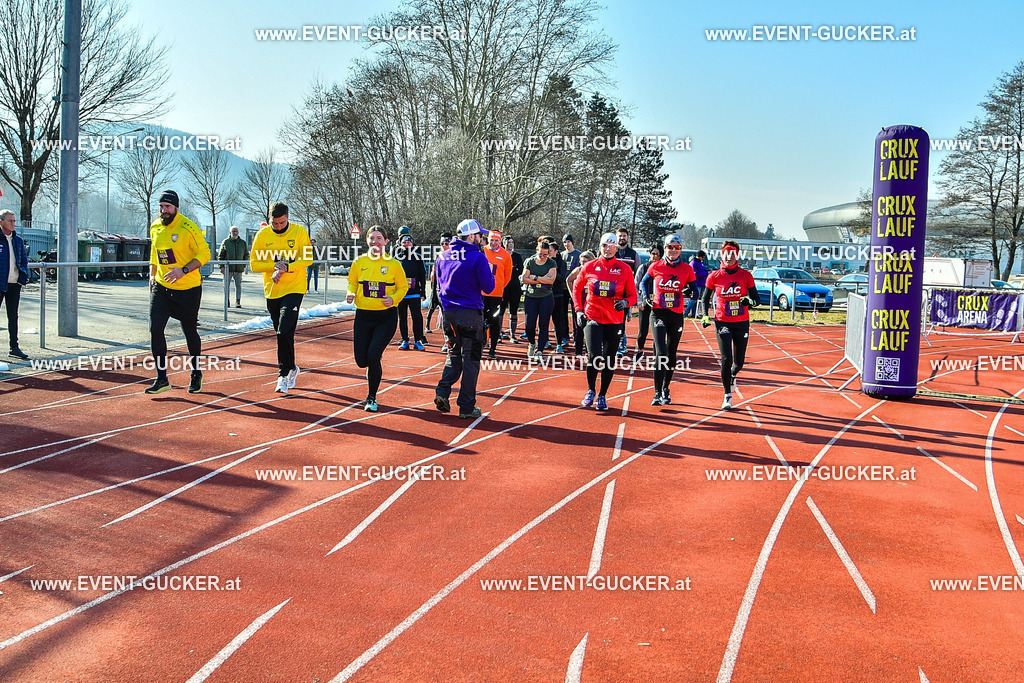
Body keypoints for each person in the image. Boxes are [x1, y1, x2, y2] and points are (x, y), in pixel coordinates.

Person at [146, 190, 210, 394]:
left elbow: (205, 253)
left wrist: (183, 270)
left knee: (189, 332)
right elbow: (155, 252)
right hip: (162, 287)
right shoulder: (155, 226)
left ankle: (196, 372)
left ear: (176, 208)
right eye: (161, 206)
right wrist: (152, 272)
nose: (164, 211)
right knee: (155, 329)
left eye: (168, 207)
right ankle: (162, 378)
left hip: (187, 289)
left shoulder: (188, 228)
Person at [434, 219, 495, 419]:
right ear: (471, 237)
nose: (482, 239)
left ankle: (442, 392)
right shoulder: (477, 257)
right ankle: (466, 406)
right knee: (471, 361)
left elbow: (437, 287)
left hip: (449, 313)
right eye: (480, 236)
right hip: (470, 314)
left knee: (453, 354)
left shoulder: (442, 255)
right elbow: (489, 287)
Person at [250, 202, 313, 394]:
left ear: (288, 217)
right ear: (270, 220)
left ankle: (282, 375)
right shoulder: (262, 235)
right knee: (283, 333)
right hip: (273, 290)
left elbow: (308, 258)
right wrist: (274, 266)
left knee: (283, 330)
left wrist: (288, 266)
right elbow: (253, 264)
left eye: (282, 222)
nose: (278, 226)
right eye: (275, 223)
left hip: (295, 288)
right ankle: (292, 367)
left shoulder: (299, 231)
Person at [572, 232, 637, 410]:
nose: (607, 249)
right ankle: (591, 390)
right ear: (599, 246)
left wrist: (625, 302)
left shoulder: (624, 269)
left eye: (611, 246)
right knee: (594, 356)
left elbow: (633, 295)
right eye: (604, 245)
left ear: (616, 247)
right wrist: (578, 310)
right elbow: (576, 289)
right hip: (593, 316)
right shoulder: (590, 266)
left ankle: (602, 395)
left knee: (609, 359)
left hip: (615, 320)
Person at [346, 226, 408, 411]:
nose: (375, 242)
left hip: (385, 317)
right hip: (363, 316)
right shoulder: (359, 262)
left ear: (386, 242)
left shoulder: (394, 264)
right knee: (361, 361)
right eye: (372, 238)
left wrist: (393, 299)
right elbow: (352, 282)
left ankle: (371, 398)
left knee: (373, 357)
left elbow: (403, 287)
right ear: (367, 241)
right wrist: (350, 293)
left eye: (379, 238)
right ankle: (372, 362)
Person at [701, 240, 760, 410]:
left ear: (737, 256)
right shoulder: (714, 276)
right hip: (722, 321)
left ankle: (733, 375)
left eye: (732, 254)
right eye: (726, 253)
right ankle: (727, 395)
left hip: (741, 322)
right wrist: (705, 316)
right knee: (726, 359)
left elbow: (757, 299)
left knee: (739, 362)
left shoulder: (745, 275)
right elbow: (705, 297)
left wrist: (749, 301)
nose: (728, 257)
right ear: (721, 255)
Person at [641, 235, 696, 405]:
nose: (673, 250)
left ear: (680, 249)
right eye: (670, 247)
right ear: (665, 248)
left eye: (677, 247)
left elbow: (696, 292)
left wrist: (689, 293)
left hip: (676, 315)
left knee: (671, 353)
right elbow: (644, 282)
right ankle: (657, 392)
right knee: (660, 352)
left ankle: (666, 387)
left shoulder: (687, 269)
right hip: (658, 312)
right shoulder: (656, 266)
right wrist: (646, 297)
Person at [0, 210, 30, 360]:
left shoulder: (17, 240)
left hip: (14, 284)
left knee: (13, 316)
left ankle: (14, 347)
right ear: (1, 222)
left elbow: (24, 260)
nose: (13, 223)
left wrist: (22, 279)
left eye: (14, 221)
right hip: (0, 284)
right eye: (10, 221)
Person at [522, 240, 557, 359]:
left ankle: (540, 350)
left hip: (546, 297)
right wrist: (543, 279)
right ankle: (532, 343)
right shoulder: (530, 262)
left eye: (545, 255)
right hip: (531, 296)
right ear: (536, 251)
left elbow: (551, 280)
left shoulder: (551, 263)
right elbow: (525, 279)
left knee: (544, 324)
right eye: (540, 254)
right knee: (529, 325)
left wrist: (536, 277)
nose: (542, 257)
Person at [482, 228, 513, 359]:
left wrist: (497, 287)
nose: (494, 243)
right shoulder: (482, 251)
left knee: (494, 322)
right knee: (480, 321)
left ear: (500, 241)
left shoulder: (506, 255)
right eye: (491, 240)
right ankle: (482, 343)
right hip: (481, 294)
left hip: (496, 295)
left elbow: (507, 276)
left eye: (496, 240)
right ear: (487, 240)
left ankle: (493, 349)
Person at [395, 234, 427, 350]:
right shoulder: (396, 258)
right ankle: (405, 340)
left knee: (416, 316)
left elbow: (422, 275)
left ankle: (418, 340)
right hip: (401, 293)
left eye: (409, 242)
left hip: (414, 292)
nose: (407, 244)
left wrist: (423, 292)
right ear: (400, 244)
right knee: (402, 317)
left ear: (412, 244)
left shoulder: (418, 257)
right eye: (404, 242)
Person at [634, 244, 663, 356]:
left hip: (659, 304)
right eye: (653, 253)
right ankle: (640, 350)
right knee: (643, 331)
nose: (655, 256)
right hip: (645, 302)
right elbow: (636, 285)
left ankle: (657, 354)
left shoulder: (663, 268)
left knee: (658, 331)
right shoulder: (643, 267)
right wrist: (639, 300)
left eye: (658, 254)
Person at [614, 227, 638, 355]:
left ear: (627, 238)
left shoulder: (633, 254)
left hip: (625, 293)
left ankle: (621, 343)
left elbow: (637, 272)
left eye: (624, 235)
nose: (622, 238)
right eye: (620, 236)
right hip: (611, 291)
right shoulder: (612, 251)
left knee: (622, 319)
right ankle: (612, 342)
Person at [565, 250, 595, 356]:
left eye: (585, 262)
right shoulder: (578, 270)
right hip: (579, 302)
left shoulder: (595, 272)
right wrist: (573, 295)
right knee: (579, 328)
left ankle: (588, 352)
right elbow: (568, 280)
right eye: (581, 262)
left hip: (591, 302)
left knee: (590, 328)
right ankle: (578, 354)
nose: (583, 264)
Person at [426, 233, 452, 337]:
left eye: (447, 243)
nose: (444, 245)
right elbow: (435, 273)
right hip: (436, 286)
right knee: (432, 306)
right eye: (442, 243)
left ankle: (447, 329)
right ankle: (427, 325)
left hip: (446, 288)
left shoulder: (453, 255)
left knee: (445, 309)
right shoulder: (438, 256)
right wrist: (433, 285)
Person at [500, 235, 524, 343]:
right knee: (500, 311)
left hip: (515, 286)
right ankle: (499, 333)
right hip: (503, 286)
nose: (511, 244)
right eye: (509, 242)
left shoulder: (517, 256)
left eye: (512, 242)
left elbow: (520, 270)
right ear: (504, 243)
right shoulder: (500, 255)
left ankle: (513, 335)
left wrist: (512, 269)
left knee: (513, 311)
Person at [547, 239, 570, 353]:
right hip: (545, 293)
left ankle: (559, 343)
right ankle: (544, 341)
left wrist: (552, 273)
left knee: (558, 320)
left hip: (557, 294)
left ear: (555, 251)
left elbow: (562, 278)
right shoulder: (544, 261)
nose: (548, 253)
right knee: (544, 319)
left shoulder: (561, 263)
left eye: (550, 251)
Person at [684, 250, 709, 318]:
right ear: (700, 256)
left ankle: (694, 314)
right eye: (702, 257)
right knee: (694, 299)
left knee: (696, 299)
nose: (703, 259)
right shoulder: (693, 263)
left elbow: (701, 270)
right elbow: (695, 274)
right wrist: (706, 273)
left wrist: (707, 270)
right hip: (696, 283)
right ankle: (686, 313)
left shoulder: (699, 263)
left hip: (701, 283)